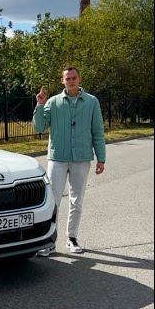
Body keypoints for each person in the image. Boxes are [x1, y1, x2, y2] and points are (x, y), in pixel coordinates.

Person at [32, 66, 106, 255]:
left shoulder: (91, 102)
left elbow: (98, 131)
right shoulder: (53, 102)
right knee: (53, 201)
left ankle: (72, 238)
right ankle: (49, 241)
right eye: (68, 78)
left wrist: (101, 158)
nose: (71, 81)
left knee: (76, 200)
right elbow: (39, 127)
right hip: (58, 158)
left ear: (79, 79)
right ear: (62, 81)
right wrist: (40, 105)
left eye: (74, 78)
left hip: (81, 157)